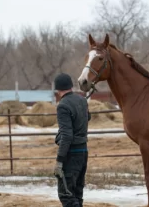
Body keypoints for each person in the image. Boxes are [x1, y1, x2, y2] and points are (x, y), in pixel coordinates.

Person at [53, 73, 91, 207]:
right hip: (83, 152)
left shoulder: (62, 105)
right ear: (70, 86)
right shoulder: (82, 100)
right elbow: (88, 118)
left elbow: (67, 136)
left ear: (57, 89)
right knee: (77, 194)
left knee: (66, 195)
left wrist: (59, 160)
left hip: (71, 154)